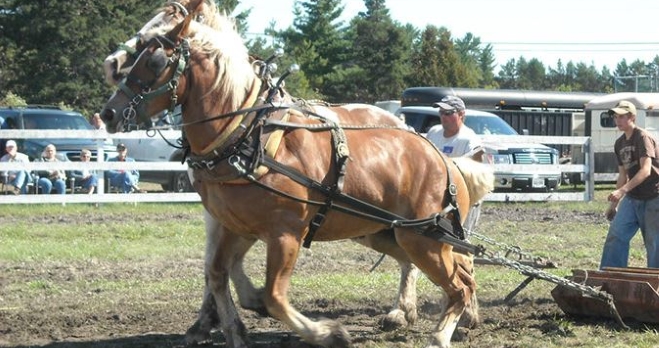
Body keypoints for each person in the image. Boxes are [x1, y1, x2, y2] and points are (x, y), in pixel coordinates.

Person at [600, 100, 659, 269]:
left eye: (622, 117)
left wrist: (622, 191)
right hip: (633, 199)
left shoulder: (642, 137)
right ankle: (610, 279)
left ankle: (655, 286)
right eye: (616, 117)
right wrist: (614, 204)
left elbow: (646, 170)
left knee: (654, 243)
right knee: (616, 235)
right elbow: (623, 175)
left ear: (632, 117)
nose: (617, 120)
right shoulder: (619, 143)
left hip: (654, 196)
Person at [426, 96, 485, 234]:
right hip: (437, 194)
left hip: (462, 196)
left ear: (461, 114)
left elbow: (475, 166)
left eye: (448, 113)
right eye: (441, 112)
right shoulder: (434, 133)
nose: (443, 116)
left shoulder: (469, 139)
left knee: (459, 238)